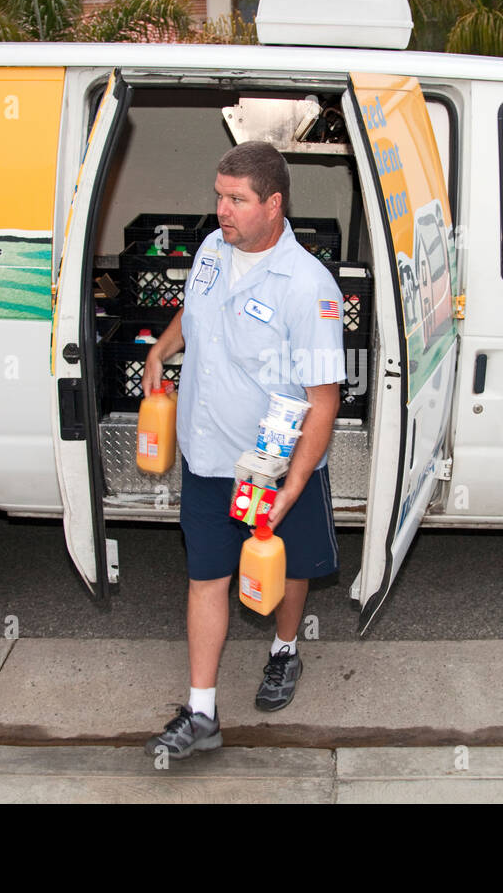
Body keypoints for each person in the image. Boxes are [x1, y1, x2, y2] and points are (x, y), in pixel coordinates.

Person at [142, 141, 346, 758]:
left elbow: (324, 400)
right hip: (206, 456)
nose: (221, 210)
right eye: (218, 196)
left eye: (236, 200)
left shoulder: (308, 287)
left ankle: (284, 651)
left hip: (273, 463)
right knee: (206, 576)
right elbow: (194, 312)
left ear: (274, 204)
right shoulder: (211, 249)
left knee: (287, 570)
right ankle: (201, 713)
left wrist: (291, 487)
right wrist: (160, 348)